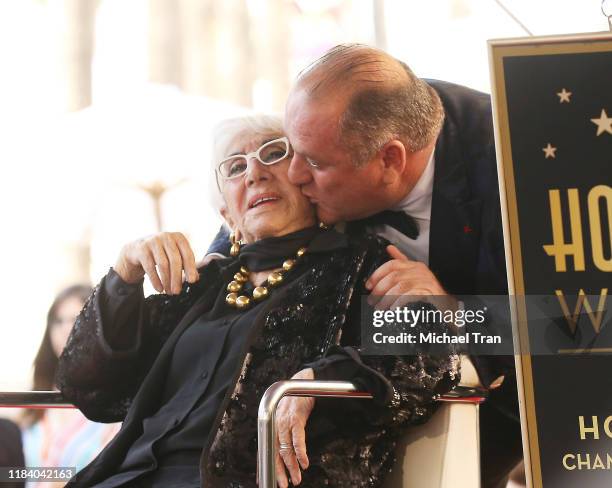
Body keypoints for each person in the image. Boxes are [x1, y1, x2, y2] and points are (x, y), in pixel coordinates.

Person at [56, 114, 459, 488]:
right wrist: (125, 273)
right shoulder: (199, 282)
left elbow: (429, 354)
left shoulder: (360, 263)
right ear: (226, 215)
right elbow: (91, 388)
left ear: (306, 178)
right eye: (235, 167)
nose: (255, 173)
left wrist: (320, 378)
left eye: (273, 152)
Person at [207, 44, 521, 488]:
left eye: (313, 163)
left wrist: (456, 309)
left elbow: (578, 325)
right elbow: (253, 230)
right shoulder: (345, 117)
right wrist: (208, 263)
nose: (294, 175)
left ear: (390, 159)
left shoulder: (511, 161)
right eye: (290, 150)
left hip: (507, 401)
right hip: (353, 404)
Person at [20, 286, 121, 488]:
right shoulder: (35, 398)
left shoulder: (118, 400)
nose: (66, 329)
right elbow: (14, 474)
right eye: (58, 321)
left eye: (76, 318)